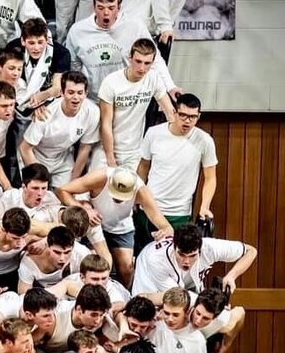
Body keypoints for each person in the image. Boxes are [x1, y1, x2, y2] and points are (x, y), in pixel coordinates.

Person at [57, 166, 172, 288]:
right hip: (94, 224)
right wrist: (84, 210)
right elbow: (62, 191)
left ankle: (121, 294)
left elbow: (161, 220)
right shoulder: (99, 177)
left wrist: (165, 229)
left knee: (127, 268)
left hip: (120, 226)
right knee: (90, 264)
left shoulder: (141, 190)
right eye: (115, 195)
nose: (117, 199)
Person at [66, 0, 177, 104]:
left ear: (119, 8)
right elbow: (73, 69)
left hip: (125, 98)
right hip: (93, 99)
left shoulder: (134, 26)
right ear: (94, 7)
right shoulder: (77, 31)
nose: (106, 13)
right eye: (101, 8)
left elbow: (154, 59)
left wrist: (170, 86)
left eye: (111, 8)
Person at [136, 93, 217, 246]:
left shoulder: (205, 140)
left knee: (176, 262)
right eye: (183, 115)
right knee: (143, 260)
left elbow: (210, 177)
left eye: (192, 117)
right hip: (149, 207)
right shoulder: (154, 133)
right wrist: (138, 196)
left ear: (198, 116)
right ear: (174, 113)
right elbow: (143, 166)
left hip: (179, 213)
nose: (187, 121)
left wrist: (205, 206)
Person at [97, 38, 175, 171]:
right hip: (106, 149)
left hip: (134, 151)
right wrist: (110, 158)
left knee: (130, 190)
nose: (142, 68)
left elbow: (170, 112)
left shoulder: (153, 78)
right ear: (130, 58)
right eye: (138, 61)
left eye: (147, 63)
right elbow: (106, 123)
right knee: (94, 190)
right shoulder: (111, 82)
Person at [19, 70, 99, 189]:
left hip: (63, 160)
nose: (76, 97)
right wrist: (39, 178)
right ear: (61, 92)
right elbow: (25, 148)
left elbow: (84, 149)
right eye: (71, 92)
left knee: (64, 196)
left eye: (80, 93)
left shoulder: (93, 112)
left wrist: (72, 184)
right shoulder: (46, 113)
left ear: (86, 93)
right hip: (36, 157)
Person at [132, 224, 258, 297]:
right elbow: (179, 298)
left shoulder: (210, 248)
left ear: (200, 249)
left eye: (192, 256)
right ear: (173, 247)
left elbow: (251, 251)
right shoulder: (156, 259)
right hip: (150, 288)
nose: (186, 261)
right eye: (181, 254)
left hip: (186, 289)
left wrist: (232, 276)